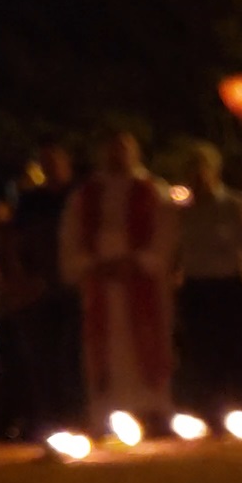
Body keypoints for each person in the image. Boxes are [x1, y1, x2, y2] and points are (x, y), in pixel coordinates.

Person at [61, 130, 180, 430]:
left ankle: (151, 411)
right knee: (108, 350)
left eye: (124, 150)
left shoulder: (153, 190)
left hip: (142, 284)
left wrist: (139, 262)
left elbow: (166, 236)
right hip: (101, 284)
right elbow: (71, 239)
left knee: (145, 345)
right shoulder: (85, 195)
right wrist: (91, 266)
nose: (118, 156)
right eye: (112, 150)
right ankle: (108, 413)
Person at [174, 143, 242, 414]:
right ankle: (208, 414)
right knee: (201, 358)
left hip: (229, 288)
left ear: (215, 171)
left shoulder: (235, 206)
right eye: (192, 170)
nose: (198, 176)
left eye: (203, 168)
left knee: (237, 356)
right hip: (196, 289)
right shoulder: (182, 212)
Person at [5, 143, 82, 433]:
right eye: (46, 162)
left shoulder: (79, 197)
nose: (51, 167)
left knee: (73, 355)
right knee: (42, 356)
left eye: (56, 161)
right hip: (39, 287)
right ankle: (49, 419)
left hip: (74, 285)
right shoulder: (31, 202)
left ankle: (76, 416)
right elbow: (13, 242)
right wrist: (20, 278)